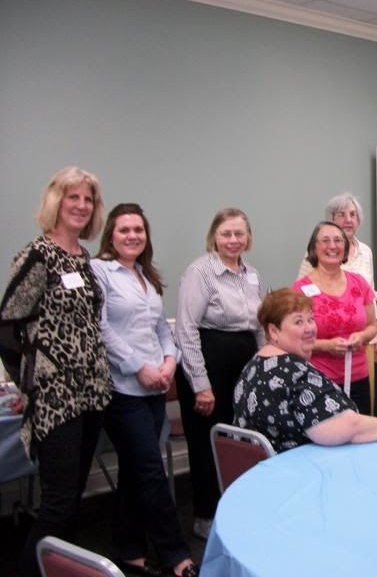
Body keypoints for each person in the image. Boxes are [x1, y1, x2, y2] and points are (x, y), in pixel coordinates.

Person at [0, 166, 111, 576]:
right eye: (73, 197)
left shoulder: (84, 259)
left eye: (88, 199)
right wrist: (30, 382)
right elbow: (8, 326)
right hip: (56, 396)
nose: (81, 206)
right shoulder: (37, 255)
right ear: (56, 202)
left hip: (93, 390)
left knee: (74, 495)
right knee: (58, 502)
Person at [91, 204, 197, 577]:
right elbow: (101, 330)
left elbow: (161, 329)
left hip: (155, 386)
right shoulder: (99, 271)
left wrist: (169, 362)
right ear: (111, 235)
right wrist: (139, 367)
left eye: (139, 229)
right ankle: (176, 555)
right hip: (123, 390)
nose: (133, 235)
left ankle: (130, 552)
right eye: (124, 230)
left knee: (135, 474)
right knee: (150, 472)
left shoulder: (146, 276)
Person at [232, 289, 377, 452]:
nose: (310, 328)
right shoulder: (295, 373)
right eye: (298, 322)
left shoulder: (252, 367)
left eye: (310, 319)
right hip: (295, 481)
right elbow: (347, 429)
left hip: (258, 480)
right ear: (273, 331)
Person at [175, 208, 266, 540]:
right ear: (214, 235)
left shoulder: (252, 274)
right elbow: (185, 330)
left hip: (242, 363)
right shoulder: (199, 271)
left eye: (239, 234)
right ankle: (206, 516)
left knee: (236, 439)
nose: (233, 240)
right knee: (206, 442)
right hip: (209, 363)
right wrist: (201, 384)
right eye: (226, 233)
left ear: (248, 238)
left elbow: (259, 327)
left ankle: (236, 507)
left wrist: (263, 367)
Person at [292, 222, 377, 414]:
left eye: (338, 240)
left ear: (345, 248)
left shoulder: (360, 283)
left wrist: (362, 338)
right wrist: (327, 346)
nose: (333, 246)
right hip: (318, 379)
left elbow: (372, 325)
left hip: (358, 377)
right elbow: (294, 341)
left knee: (362, 437)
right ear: (314, 248)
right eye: (325, 240)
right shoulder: (299, 291)